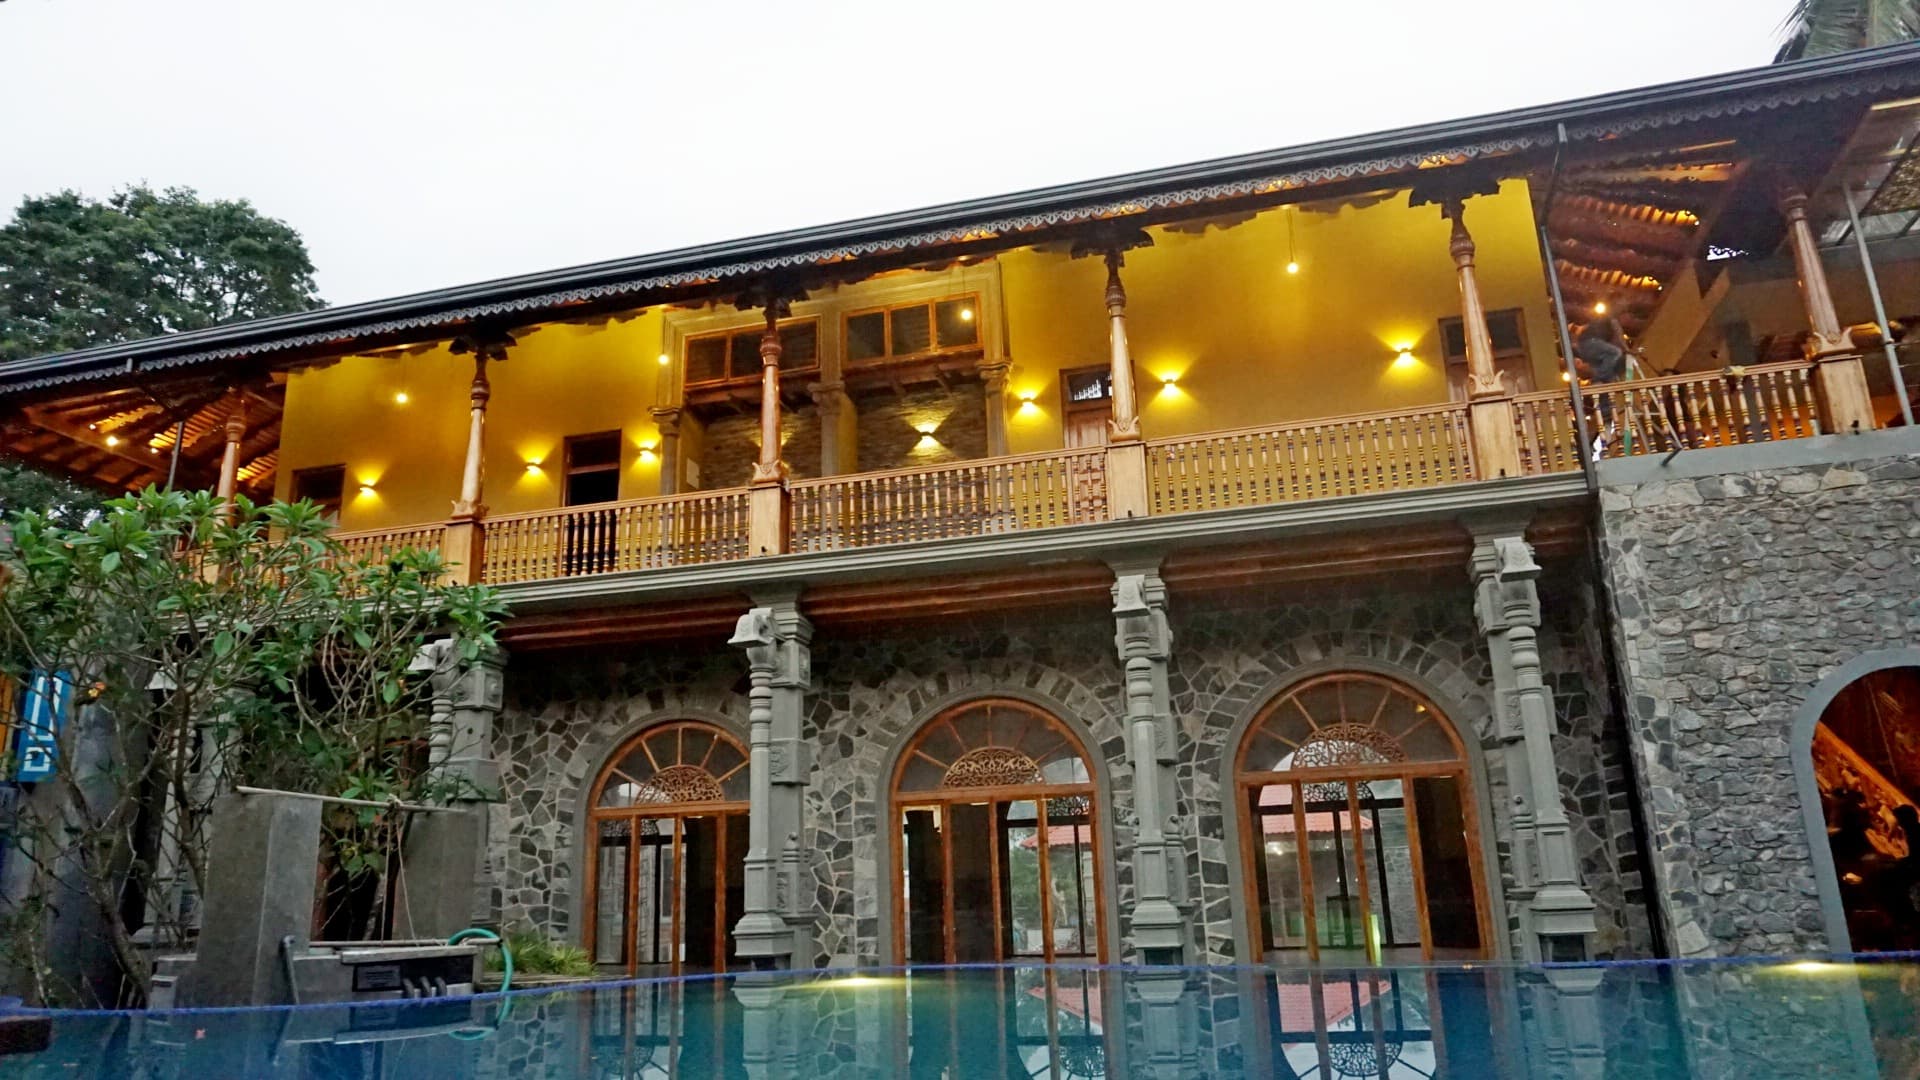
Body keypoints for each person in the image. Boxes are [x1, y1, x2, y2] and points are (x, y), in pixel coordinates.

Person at [1573, 312, 1629, 456]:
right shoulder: (1610, 320)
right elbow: (1618, 336)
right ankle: (1600, 378)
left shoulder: (1598, 326)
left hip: (1588, 346)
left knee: (1606, 391)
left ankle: (1604, 414)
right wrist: (1627, 350)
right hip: (1588, 342)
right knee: (1615, 353)